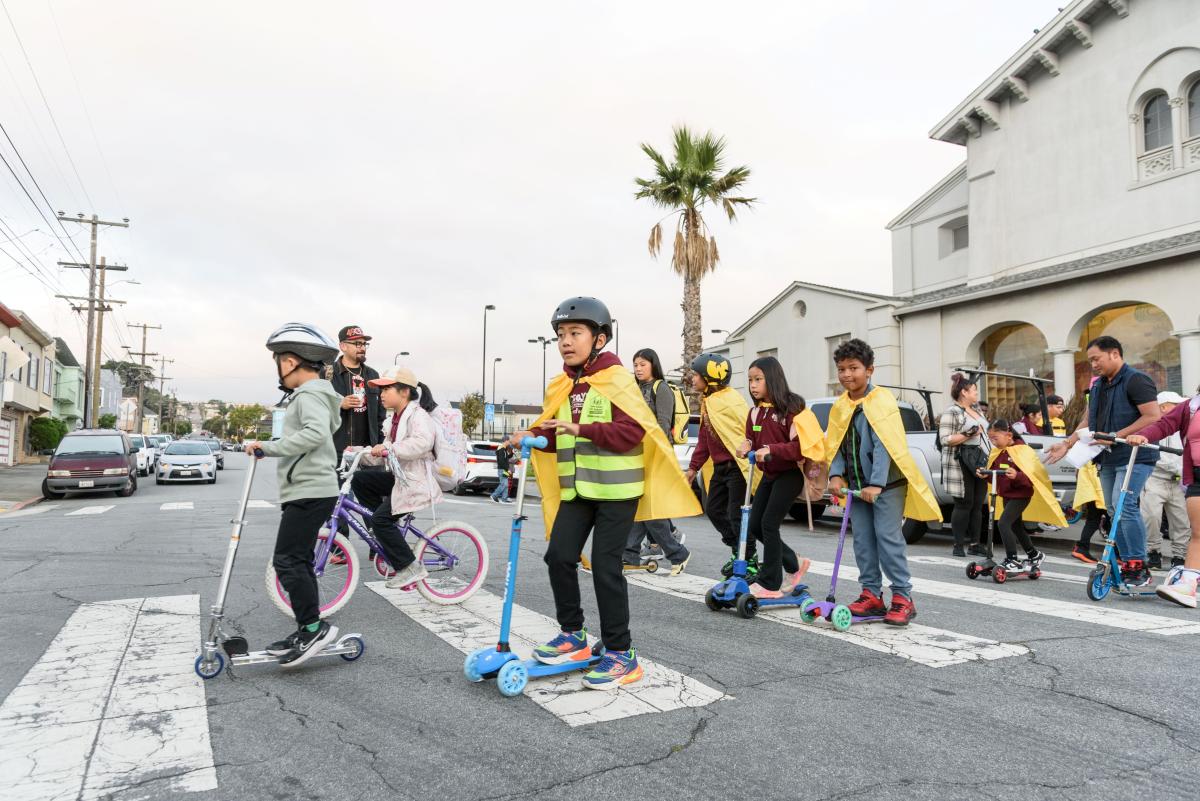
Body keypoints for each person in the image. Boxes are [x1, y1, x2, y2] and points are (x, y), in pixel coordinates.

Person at [511, 297, 699, 689]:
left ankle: (621, 653)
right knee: (559, 556)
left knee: (606, 568)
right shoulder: (564, 383)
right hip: (578, 490)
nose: (566, 341)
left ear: (599, 339)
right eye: (561, 334)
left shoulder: (616, 380)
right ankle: (573, 635)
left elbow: (633, 432)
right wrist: (531, 435)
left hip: (617, 491)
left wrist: (584, 430)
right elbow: (554, 427)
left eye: (575, 333)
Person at [245, 323, 343, 668]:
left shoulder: (310, 394)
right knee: (296, 560)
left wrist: (268, 448)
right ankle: (309, 626)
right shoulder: (317, 394)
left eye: (278, 362)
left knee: (288, 559)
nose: (279, 369)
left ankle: (313, 628)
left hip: (310, 489)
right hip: (309, 489)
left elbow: (315, 433)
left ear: (288, 362)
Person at [825, 338, 941, 626]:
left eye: (854, 368)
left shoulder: (881, 401)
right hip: (856, 486)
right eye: (841, 369)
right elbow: (835, 443)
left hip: (886, 486)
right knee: (863, 542)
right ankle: (871, 595)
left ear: (870, 370)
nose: (847, 375)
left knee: (888, 540)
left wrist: (876, 483)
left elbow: (884, 444)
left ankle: (902, 597)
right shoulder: (840, 405)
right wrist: (836, 474)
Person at [1048, 336, 1162, 587]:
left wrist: (1117, 436)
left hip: (1135, 456)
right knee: (1112, 509)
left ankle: (1138, 565)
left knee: (1125, 505)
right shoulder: (1098, 386)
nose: (1093, 365)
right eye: (1090, 361)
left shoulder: (1136, 380)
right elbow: (1089, 420)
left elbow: (1153, 416)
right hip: (1107, 458)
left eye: (1096, 359)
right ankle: (1126, 561)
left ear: (1114, 354)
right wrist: (1067, 443)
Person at [349, 366, 442, 589]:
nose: (380, 394)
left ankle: (411, 567)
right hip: (401, 478)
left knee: (382, 520)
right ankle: (380, 529)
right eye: (380, 390)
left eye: (386, 389)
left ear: (404, 392)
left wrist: (389, 449)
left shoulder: (418, 416)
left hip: (414, 482)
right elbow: (385, 454)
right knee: (360, 480)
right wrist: (360, 453)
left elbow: (422, 443)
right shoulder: (395, 420)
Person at [733, 356, 817, 597]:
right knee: (756, 526)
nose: (753, 385)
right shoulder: (755, 413)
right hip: (769, 476)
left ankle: (769, 583)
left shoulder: (792, 409)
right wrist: (746, 446)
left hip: (789, 475)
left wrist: (772, 450)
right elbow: (752, 438)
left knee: (769, 524)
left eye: (758, 379)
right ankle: (795, 563)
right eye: (750, 380)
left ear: (773, 379)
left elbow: (800, 446)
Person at [686, 352, 758, 578]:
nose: (693, 380)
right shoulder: (708, 402)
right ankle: (739, 550)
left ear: (710, 377)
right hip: (720, 468)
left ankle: (750, 558)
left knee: (738, 515)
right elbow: (705, 440)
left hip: (737, 466)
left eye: (696, 375)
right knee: (714, 510)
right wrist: (693, 468)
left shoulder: (731, 399)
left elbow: (746, 430)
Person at [1127, 389, 1200, 607]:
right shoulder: (1191, 407)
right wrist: (1144, 435)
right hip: (1197, 476)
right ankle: (1187, 587)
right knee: (1198, 534)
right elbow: (1164, 424)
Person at [622, 348, 690, 575]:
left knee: (650, 509)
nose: (638, 369)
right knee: (640, 506)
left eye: (642, 364)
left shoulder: (662, 389)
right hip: (637, 455)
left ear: (653, 365)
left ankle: (678, 554)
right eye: (635, 365)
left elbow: (662, 424)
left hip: (656, 456)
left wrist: (653, 453)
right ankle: (629, 554)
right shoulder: (635, 389)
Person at [976, 419, 1065, 571]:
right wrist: (986, 475)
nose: (993, 442)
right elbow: (997, 476)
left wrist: (1017, 476)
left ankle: (1012, 559)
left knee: (1003, 523)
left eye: (995, 438)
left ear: (1009, 435)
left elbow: (1031, 478)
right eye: (990, 439)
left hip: (1021, 495)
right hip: (1006, 494)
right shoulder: (998, 453)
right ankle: (1034, 554)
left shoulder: (1023, 451)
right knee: (1016, 527)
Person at [938, 373, 989, 557]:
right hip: (960, 463)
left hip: (979, 460)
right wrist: (968, 434)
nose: (976, 393)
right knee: (963, 503)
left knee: (977, 504)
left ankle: (975, 544)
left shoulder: (977, 410)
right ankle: (958, 545)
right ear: (964, 392)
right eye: (974, 390)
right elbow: (945, 439)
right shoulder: (952, 412)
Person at [1139, 391, 1190, 570]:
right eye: (1175, 405)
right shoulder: (1153, 426)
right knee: (1151, 517)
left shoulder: (1185, 425)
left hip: (1179, 481)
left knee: (1182, 520)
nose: (1180, 409)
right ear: (1163, 407)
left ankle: (1180, 556)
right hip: (1155, 477)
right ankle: (1153, 552)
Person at [329, 326, 383, 455]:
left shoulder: (373, 375)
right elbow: (314, 408)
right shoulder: (327, 374)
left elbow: (380, 415)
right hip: (336, 451)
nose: (363, 348)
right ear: (343, 346)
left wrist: (380, 443)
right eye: (357, 344)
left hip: (369, 452)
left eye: (364, 344)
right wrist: (339, 404)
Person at [1070, 462, 1108, 564]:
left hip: (1089, 480)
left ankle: (1082, 547)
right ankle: (1082, 548)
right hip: (1097, 479)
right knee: (1107, 517)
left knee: (1096, 518)